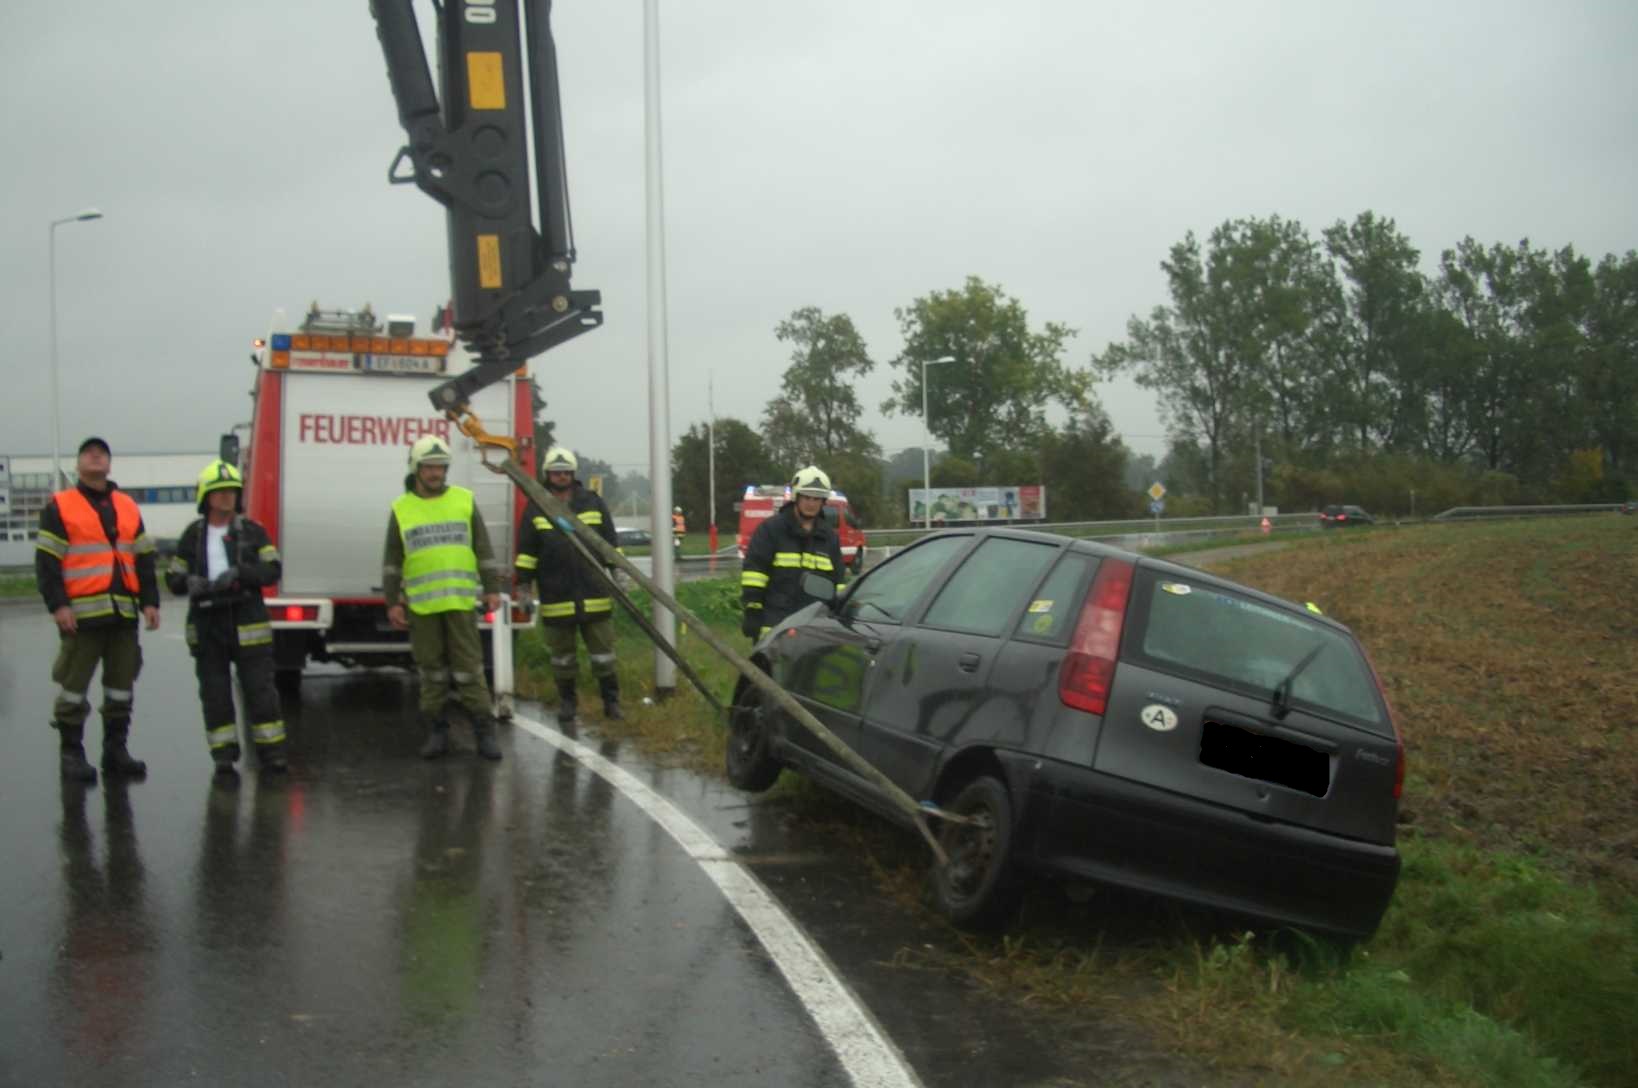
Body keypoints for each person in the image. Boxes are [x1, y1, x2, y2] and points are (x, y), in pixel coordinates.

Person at [36, 436, 160, 783]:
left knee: (121, 687)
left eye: (102, 452)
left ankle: (115, 751)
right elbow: (47, 562)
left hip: (122, 615)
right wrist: (58, 605)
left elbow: (144, 558)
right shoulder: (60, 506)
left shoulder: (127, 506)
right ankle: (71, 754)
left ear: (109, 464)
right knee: (74, 687)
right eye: (89, 452)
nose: (96, 455)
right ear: (78, 465)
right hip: (81, 616)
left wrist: (150, 601)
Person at [383, 436, 504, 761]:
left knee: (470, 671)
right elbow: (392, 560)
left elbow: (483, 548)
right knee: (431, 672)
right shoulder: (402, 509)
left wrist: (492, 588)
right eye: (429, 467)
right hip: (422, 607)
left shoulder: (464, 501)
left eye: (440, 467)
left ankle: (484, 732)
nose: (436, 473)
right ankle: (437, 731)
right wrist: (392, 601)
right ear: (416, 468)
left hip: (460, 603)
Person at [164, 460, 288, 776]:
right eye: (219, 492)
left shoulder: (253, 532)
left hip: (248, 620)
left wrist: (241, 574)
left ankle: (272, 754)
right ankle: (223, 757)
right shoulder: (192, 535)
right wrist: (188, 582)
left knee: (260, 692)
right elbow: (173, 577)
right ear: (206, 497)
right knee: (215, 694)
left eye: (231, 492)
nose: (226, 498)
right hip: (207, 624)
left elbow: (273, 569)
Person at [515, 446, 624, 725]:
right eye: (556, 472)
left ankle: (611, 703)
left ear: (573, 474)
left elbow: (610, 543)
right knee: (562, 658)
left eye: (565, 472)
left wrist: (618, 575)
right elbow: (527, 552)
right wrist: (524, 587)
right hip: (556, 595)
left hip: (594, 594)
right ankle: (567, 702)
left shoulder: (592, 502)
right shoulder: (536, 507)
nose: (561, 476)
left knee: (603, 656)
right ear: (547, 474)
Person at [740, 465, 847, 642]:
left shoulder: (829, 538)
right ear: (796, 497)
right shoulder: (771, 530)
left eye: (817, 499)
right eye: (807, 497)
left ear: (823, 502)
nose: (811, 503)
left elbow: (839, 581)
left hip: (814, 629)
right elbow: (755, 572)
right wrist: (752, 610)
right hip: (775, 627)